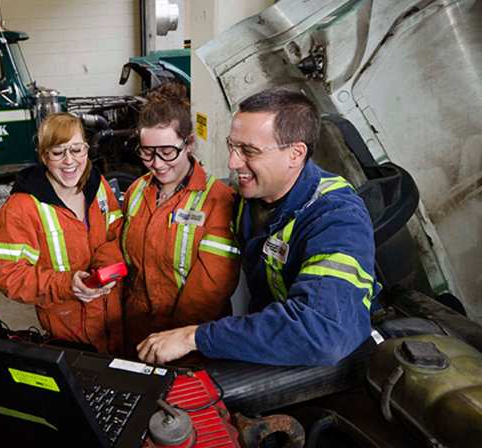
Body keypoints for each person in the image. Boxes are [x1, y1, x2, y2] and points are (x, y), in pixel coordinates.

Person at [137, 88, 379, 366]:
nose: (232, 162)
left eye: (248, 151)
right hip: (266, 342)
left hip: (331, 361)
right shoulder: (247, 199)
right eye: (232, 146)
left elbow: (320, 331)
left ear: (296, 153)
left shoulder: (336, 217)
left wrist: (195, 336)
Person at [121, 84, 241, 357]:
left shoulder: (219, 201)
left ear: (188, 143)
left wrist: (176, 341)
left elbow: (210, 289)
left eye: (167, 152)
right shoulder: (136, 191)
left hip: (191, 340)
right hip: (136, 330)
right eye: (147, 153)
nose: (158, 163)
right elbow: (123, 258)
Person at [0, 113, 124, 355]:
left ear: (86, 150)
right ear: (44, 156)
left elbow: (117, 234)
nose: (69, 161)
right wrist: (66, 284)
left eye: (76, 150)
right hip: (68, 327)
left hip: (115, 314)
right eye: (58, 152)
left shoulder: (98, 186)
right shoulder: (22, 207)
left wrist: (103, 270)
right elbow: (7, 275)